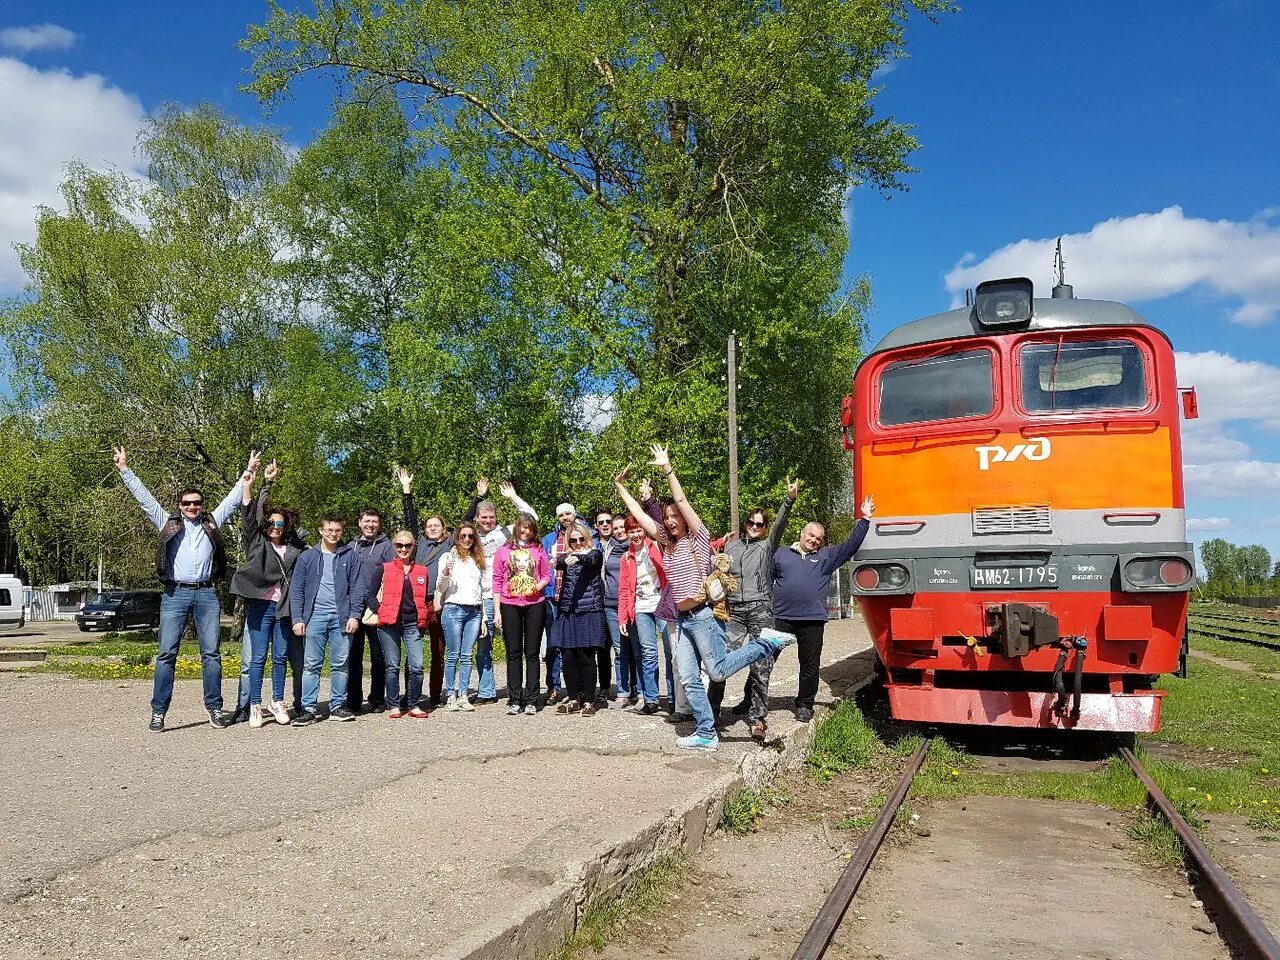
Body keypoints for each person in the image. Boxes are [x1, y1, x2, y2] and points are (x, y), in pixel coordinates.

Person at [615, 446, 794, 752]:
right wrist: (620, 487)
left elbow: (682, 500)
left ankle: (766, 643)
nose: (670, 520)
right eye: (667, 517)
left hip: (702, 616)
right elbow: (640, 515)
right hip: (682, 621)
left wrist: (668, 469)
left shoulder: (697, 538)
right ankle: (706, 731)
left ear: (684, 519)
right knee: (687, 676)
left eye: (675, 516)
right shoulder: (665, 543)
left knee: (718, 670)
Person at [114, 445, 248, 732]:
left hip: (206, 594)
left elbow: (233, 499)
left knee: (211, 654)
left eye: (197, 503)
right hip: (175, 594)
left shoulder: (212, 522)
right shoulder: (168, 523)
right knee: (166, 654)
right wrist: (125, 470)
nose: (192, 507)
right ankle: (159, 711)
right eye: (187, 503)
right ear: (179, 505)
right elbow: (145, 500)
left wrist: (249, 471)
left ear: (202, 504)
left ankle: (214, 708)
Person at [707, 478, 798, 741]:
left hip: (760, 609)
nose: (755, 527)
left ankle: (757, 718)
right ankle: (712, 715)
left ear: (764, 527)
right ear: (745, 523)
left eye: (760, 524)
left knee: (761, 665)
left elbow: (780, 526)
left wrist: (789, 500)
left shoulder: (766, 546)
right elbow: (716, 563)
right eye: (751, 522)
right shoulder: (732, 545)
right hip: (733, 611)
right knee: (720, 662)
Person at [771, 497, 875, 722]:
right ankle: (750, 699)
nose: (814, 541)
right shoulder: (780, 554)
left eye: (818, 538)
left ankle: (805, 705)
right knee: (764, 660)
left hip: (811, 621)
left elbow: (850, 546)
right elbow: (764, 582)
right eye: (811, 535)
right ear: (802, 533)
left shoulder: (826, 557)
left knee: (810, 666)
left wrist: (865, 519)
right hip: (781, 618)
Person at [230, 458, 304, 728]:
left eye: (280, 524)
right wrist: (259, 484)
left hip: (283, 609)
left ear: (287, 527)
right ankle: (255, 706)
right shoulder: (257, 544)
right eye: (272, 523)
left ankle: (277, 701)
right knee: (258, 658)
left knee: (280, 657)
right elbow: (250, 515)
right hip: (260, 608)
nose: (275, 527)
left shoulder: (294, 551)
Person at [462, 477, 538, 703]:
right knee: (483, 646)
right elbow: (460, 524)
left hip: (505, 595)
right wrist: (479, 497)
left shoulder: (506, 533)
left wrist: (513, 497)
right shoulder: (470, 537)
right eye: (483, 517)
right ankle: (487, 691)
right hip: (480, 596)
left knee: (512, 645)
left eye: (491, 517)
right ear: (477, 519)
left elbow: (532, 518)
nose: (487, 520)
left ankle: (518, 689)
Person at [289, 514, 363, 725]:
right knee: (311, 664)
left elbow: (357, 588)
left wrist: (355, 615)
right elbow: (297, 590)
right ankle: (309, 709)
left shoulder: (350, 556)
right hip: (314, 617)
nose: (333, 534)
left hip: (342, 617)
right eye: (329, 530)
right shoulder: (307, 557)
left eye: (337, 530)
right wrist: (297, 618)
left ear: (342, 532)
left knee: (340, 664)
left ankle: (338, 706)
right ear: (321, 531)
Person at [357, 529, 431, 719]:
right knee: (392, 665)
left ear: (413, 547)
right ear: (394, 546)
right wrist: (380, 609)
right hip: (389, 624)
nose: (403, 549)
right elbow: (370, 594)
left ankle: (413, 704)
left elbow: (425, 598)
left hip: (413, 623)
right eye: (399, 545)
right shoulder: (385, 568)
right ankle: (394, 704)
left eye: (407, 545)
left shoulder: (422, 571)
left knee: (417, 665)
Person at [400, 469, 453, 706]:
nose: (432, 528)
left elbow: (467, 519)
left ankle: (434, 695)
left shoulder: (449, 543)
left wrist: (479, 498)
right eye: (429, 525)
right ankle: (410, 694)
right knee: (412, 651)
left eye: (437, 525)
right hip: (415, 602)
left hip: (437, 603)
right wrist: (406, 490)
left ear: (443, 529)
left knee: (438, 651)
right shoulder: (419, 543)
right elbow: (409, 517)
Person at [492, 514, 551, 715]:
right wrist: (497, 611)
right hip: (509, 604)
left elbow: (546, 576)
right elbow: (497, 581)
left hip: (535, 603)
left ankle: (532, 699)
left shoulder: (539, 550)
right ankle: (515, 698)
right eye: (522, 528)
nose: (526, 532)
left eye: (530, 529)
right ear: (517, 528)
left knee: (532, 653)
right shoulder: (503, 551)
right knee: (513, 652)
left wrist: (538, 586)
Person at [550, 523, 607, 715]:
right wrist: (555, 562)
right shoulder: (567, 557)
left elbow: (591, 560)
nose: (577, 543)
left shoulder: (595, 552)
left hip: (589, 610)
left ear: (587, 538)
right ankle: (574, 698)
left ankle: (589, 701)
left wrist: (577, 558)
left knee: (587, 657)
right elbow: (559, 561)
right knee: (568, 657)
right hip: (569, 611)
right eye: (573, 540)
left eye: (581, 539)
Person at [348, 505, 395, 712]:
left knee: (378, 656)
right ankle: (353, 700)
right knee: (353, 655)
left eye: (374, 521)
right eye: (367, 521)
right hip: (354, 608)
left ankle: (377, 698)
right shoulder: (351, 546)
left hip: (376, 608)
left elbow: (392, 576)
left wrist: (381, 605)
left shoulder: (387, 547)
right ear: (360, 523)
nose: (370, 525)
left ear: (379, 524)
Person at [435, 520, 487, 711]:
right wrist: (446, 572)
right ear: (457, 537)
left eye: (470, 536)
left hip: (474, 611)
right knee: (453, 655)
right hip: (453, 609)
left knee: (467, 656)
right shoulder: (448, 557)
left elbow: (480, 589)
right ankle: (450, 695)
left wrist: (484, 618)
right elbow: (440, 587)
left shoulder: (478, 559)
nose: (466, 539)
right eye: (463, 536)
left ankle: (463, 694)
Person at [616, 515, 665, 714]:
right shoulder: (626, 558)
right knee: (648, 654)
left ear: (644, 531)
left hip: (662, 606)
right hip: (641, 609)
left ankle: (672, 699)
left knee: (671, 654)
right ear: (627, 534)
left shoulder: (656, 546)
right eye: (632, 531)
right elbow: (624, 590)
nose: (636, 535)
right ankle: (651, 699)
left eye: (639, 530)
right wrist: (622, 617)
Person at [542, 502, 588, 704]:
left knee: (576, 644)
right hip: (553, 597)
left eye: (568, 513)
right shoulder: (549, 539)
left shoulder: (586, 534)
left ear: (574, 514)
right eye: (561, 515)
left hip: (577, 598)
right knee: (553, 645)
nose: (564, 517)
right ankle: (553, 687)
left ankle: (578, 688)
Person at [599, 510, 633, 708]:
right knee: (620, 650)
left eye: (623, 527)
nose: (619, 531)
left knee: (638, 651)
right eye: (616, 527)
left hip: (633, 605)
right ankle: (623, 691)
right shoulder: (608, 548)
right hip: (611, 604)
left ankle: (640, 690)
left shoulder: (636, 548)